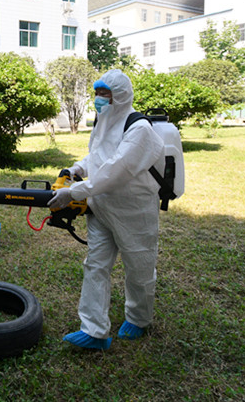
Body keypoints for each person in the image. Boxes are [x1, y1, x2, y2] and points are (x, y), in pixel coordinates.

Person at [48, 69, 164, 350]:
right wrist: (76, 169)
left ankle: (138, 318)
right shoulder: (104, 120)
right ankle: (94, 330)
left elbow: (115, 171)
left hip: (134, 210)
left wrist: (73, 192)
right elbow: (98, 156)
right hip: (101, 206)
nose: (99, 99)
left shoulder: (139, 129)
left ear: (121, 96)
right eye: (97, 93)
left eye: (105, 95)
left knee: (138, 266)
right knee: (95, 265)